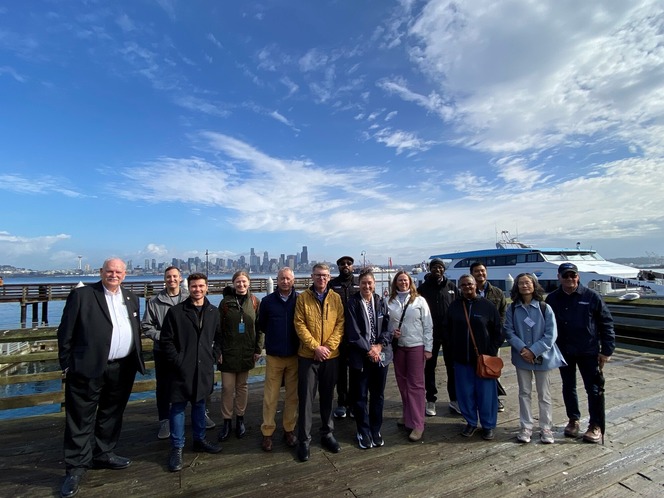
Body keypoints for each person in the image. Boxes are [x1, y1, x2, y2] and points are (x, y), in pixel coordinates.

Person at [57, 258, 146, 498]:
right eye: (109, 271)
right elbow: (65, 332)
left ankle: (103, 452)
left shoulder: (131, 298)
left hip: (123, 367)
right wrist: (66, 365)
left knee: (111, 413)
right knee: (80, 417)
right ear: (101, 272)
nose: (113, 275)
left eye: (118, 272)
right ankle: (76, 466)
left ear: (125, 275)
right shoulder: (83, 295)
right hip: (87, 367)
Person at [546, 262, 615, 443]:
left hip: (588, 350)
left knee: (594, 389)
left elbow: (606, 323)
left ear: (578, 277)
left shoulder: (592, 296)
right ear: (559, 277)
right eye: (566, 275)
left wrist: (607, 350)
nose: (570, 278)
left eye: (573, 275)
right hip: (564, 351)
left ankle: (595, 425)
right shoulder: (552, 298)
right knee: (568, 387)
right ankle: (573, 419)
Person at [160, 272, 222, 472]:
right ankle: (177, 448)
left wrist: (213, 355)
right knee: (177, 408)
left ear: (207, 287)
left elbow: (219, 338)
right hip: (181, 369)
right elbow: (166, 341)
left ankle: (200, 439)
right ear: (188, 287)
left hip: (203, 367)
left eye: (201, 286)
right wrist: (178, 361)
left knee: (199, 404)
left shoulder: (213, 311)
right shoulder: (176, 312)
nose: (198, 289)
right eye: (194, 286)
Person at [503, 273, 566, 444]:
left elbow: (551, 334)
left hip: (543, 358)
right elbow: (508, 331)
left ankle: (546, 427)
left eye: (528, 282)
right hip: (521, 357)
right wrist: (523, 349)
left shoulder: (545, 308)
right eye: (521, 283)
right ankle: (526, 426)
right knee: (524, 392)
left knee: (544, 394)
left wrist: (534, 351)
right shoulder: (513, 308)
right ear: (516, 287)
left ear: (534, 285)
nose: (524, 286)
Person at [294, 263, 345, 462]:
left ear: (329, 277)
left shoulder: (336, 298)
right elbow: (299, 324)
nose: (321, 279)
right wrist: (315, 347)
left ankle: (327, 433)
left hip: (330, 357)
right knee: (306, 399)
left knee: (327, 397)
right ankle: (304, 440)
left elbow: (340, 324)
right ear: (312, 276)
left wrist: (327, 348)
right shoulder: (303, 298)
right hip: (308, 356)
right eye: (317, 275)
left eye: (324, 275)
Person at [447, 274, 503, 441]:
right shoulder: (455, 306)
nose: (467, 287)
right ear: (460, 287)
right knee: (465, 394)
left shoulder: (487, 306)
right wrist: (453, 349)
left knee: (486, 394)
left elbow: (498, 332)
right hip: (461, 359)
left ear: (476, 286)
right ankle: (471, 422)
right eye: (463, 285)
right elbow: (447, 329)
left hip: (483, 359)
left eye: (470, 284)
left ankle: (488, 425)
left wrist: (491, 351)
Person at [345, 270, 393, 449]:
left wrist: (380, 346)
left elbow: (388, 327)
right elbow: (353, 332)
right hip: (361, 356)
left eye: (370, 283)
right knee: (360, 396)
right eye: (363, 283)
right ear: (359, 284)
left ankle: (375, 429)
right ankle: (362, 430)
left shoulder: (381, 302)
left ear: (374, 284)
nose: (367, 286)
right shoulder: (352, 303)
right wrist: (369, 350)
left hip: (380, 356)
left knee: (378, 395)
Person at [141, 266, 190, 440]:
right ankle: (164, 419)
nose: (172, 280)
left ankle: (201, 413)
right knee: (163, 386)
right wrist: (165, 337)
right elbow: (146, 326)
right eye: (169, 277)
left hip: (186, 349)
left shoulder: (188, 298)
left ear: (180, 278)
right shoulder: (155, 301)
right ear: (165, 279)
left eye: (175, 276)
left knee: (192, 381)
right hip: (162, 351)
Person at [387, 270, 433, 442]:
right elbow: (386, 324)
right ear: (395, 283)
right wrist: (392, 333)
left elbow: (428, 325)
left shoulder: (420, 301)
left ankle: (418, 423)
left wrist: (428, 348)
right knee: (402, 383)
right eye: (400, 280)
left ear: (410, 282)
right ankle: (408, 415)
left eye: (405, 280)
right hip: (399, 347)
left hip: (416, 346)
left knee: (416, 385)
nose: (403, 283)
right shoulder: (389, 301)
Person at [217, 270, 262, 442]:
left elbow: (260, 327)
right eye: (238, 282)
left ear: (249, 283)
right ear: (233, 283)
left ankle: (240, 418)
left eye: (244, 282)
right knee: (227, 387)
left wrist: (258, 349)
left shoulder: (255, 302)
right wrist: (218, 351)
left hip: (246, 352)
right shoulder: (225, 303)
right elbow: (218, 329)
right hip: (228, 352)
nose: (241, 285)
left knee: (242, 386)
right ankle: (227, 421)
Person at [258, 267, 299, 452]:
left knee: (292, 396)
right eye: (282, 278)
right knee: (270, 397)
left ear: (293, 280)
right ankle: (267, 432)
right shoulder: (267, 302)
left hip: (295, 356)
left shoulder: (300, 300)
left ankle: (289, 429)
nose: (285, 281)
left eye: (288, 278)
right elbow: (262, 325)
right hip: (274, 356)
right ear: (277, 280)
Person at [417, 258, 459, 416]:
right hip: (430, 335)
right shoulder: (422, 289)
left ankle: (454, 399)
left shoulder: (451, 287)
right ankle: (431, 399)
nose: (437, 270)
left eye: (440, 267)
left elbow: (458, 307)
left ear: (444, 269)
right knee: (429, 368)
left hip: (449, 335)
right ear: (430, 269)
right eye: (434, 267)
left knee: (452, 368)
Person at [470, 261, 508, 412]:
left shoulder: (497, 293)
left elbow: (503, 315)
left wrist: (498, 337)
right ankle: (476, 398)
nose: (480, 274)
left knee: (492, 369)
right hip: (472, 339)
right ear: (472, 273)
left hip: (491, 339)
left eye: (482, 271)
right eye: (477, 271)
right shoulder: (467, 291)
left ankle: (494, 397)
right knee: (474, 369)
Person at [328, 255, 360, 419]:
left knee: (355, 370)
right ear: (338, 266)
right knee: (340, 372)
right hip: (338, 335)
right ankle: (342, 402)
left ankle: (354, 403)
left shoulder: (359, 283)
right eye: (342, 264)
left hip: (355, 335)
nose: (345, 266)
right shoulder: (332, 285)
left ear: (353, 266)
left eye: (348, 263)